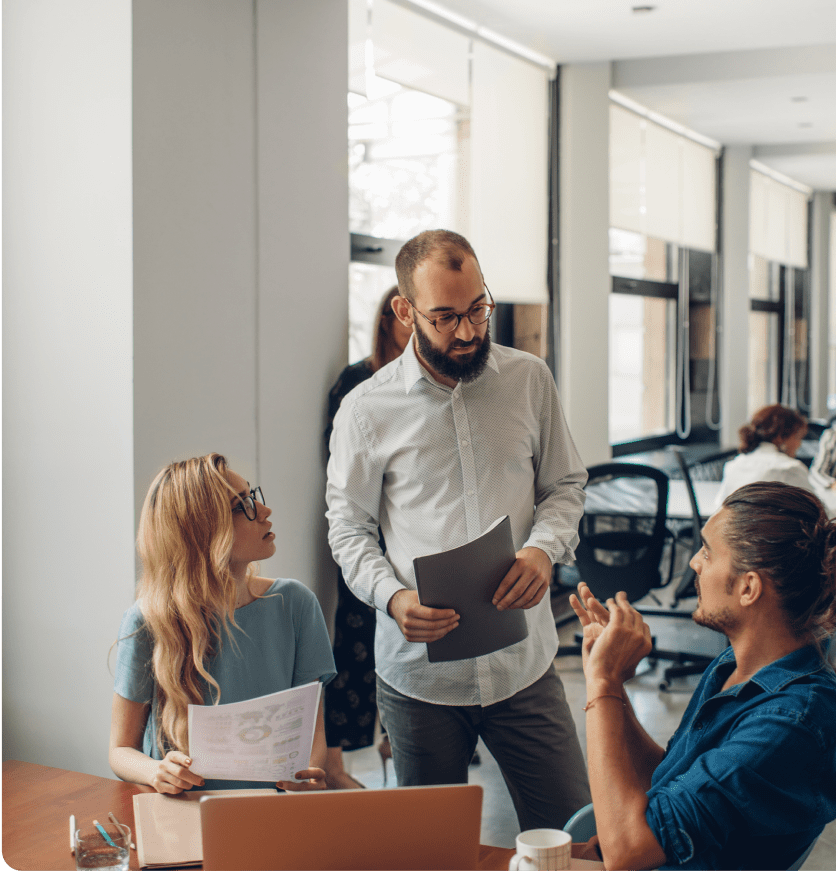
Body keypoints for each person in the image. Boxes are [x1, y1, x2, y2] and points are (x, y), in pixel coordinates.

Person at [326, 229, 591, 830]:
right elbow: (348, 528)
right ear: (404, 311)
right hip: (419, 678)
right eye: (445, 317)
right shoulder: (365, 410)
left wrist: (544, 551)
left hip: (524, 665)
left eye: (478, 308)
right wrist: (391, 598)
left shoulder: (530, 380)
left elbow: (565, 485)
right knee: (431, 852)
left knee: (576, 839)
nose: (469, 331)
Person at [570, 482, 836, 871]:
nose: (694, 562)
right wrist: (616, 689)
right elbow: (664, 781)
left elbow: (629, 849)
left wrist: (603, 684)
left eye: (707, 551)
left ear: (748, 587)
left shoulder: (792, 725)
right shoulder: (734, 667)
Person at [109, 454, 336, 794]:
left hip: (273, 811)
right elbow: (120, 751)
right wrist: (157, 771)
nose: (263, 511)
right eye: (242, 505)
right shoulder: (148, 620)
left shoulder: (296, 604)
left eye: (252, 496)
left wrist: (309, 775)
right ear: (202, 531)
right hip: (185, 816)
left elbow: (312, 738)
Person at [322, 285, 411, 789]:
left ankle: (401, 736)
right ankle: (352, 750)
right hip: (366, 535)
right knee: (357, 642)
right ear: (390, 318)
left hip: (414, 538)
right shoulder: (357, 383)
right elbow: (338, 470)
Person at [716, 403, 812, 504]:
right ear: (781, 437)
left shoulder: (733, 465)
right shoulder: (790, 468)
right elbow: (821, 513)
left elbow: (721, 506)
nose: (799, 444)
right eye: (797, 437)